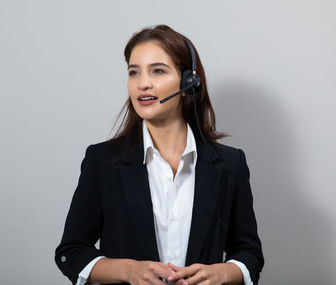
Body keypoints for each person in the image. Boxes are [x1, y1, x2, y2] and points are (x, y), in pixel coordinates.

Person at [54, 25, 264, 285]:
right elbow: (70, 252)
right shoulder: (102, 161)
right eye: (134, 72)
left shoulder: (230, 164)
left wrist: (222, 273)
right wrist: (128, 270)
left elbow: (250, 253)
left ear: (189, 82)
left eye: (158, 71)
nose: (142, 83)